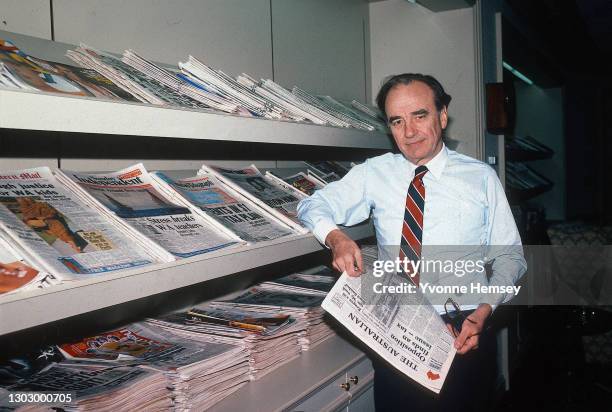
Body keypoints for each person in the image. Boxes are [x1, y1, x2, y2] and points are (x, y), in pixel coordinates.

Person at [297, 73, 526, 411]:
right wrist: (336, 238)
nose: (409, 132)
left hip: (464, 329)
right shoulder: (373, 173)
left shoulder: (480, 178)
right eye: (397, 121)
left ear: (442, 116)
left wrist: (484, 312)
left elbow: (510, 257)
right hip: (396, 331)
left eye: (420, 115)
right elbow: (311, 204)